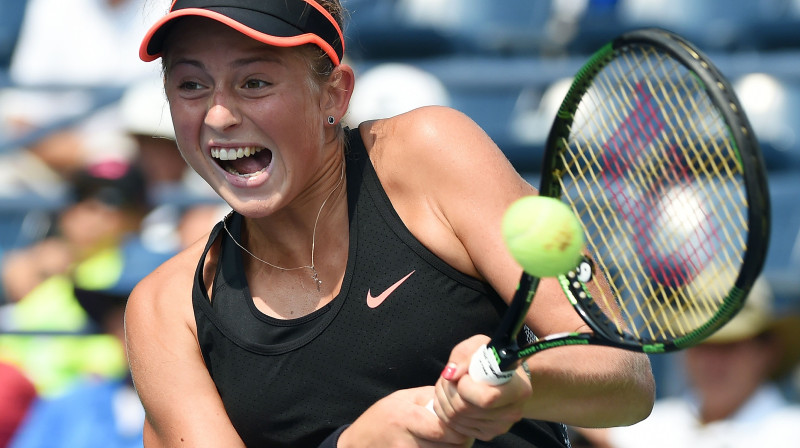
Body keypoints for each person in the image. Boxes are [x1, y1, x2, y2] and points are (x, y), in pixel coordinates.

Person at [124, 1, 656, 447]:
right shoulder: (163, 311)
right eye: (191, 85)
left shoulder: (432, 152)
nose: (218, 116)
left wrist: (519, 381)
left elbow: (624, 376)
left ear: (334, 94)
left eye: (255, 82)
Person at [576, 276, 800, 448]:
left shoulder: (791, 433)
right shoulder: (661, 419)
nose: (712, 360)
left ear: (767, 351)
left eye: (729, 346)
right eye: (701, 344)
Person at [8, 242, 170, 448]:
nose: (132, 330)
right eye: (123, 317)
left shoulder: (204, 407)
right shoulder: (69, 403)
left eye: (148, 315)